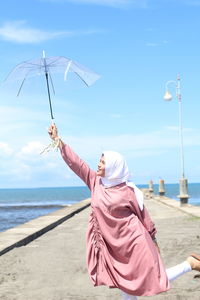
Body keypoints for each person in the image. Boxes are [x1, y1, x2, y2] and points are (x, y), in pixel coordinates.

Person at [48, 123, 200, 300]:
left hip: (134, 242)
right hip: (114, 246)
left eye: (103, 162)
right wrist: (58, 141)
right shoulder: (95, 182)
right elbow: (76, 163)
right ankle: (190, 264)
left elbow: (145, 219)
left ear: (114, 166)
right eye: (100, 160)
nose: (99, 164)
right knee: (129, 285)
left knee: (144, 282)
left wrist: (154, 244)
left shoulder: (128, 190)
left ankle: (190, 264)